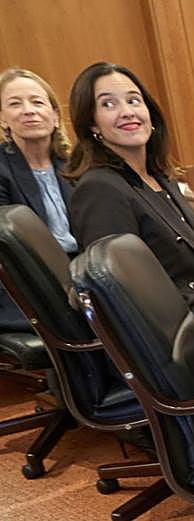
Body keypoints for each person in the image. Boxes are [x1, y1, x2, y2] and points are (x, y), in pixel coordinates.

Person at [65, 62, 194, 329]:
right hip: (191, 334)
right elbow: (128, 288)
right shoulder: (100, 189)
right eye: (108, 104)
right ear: (92, 124)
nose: (127, 112)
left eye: (133, 100)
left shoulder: (160, 178)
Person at [0, 68, 75, 329]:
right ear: (3, 119)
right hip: (27, 285)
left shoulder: (76, 166)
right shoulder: (1, 169)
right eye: (15, 104)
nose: (28, 110)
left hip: (80, 274)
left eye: (37, 102)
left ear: (55, 116)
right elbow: (9, 251)